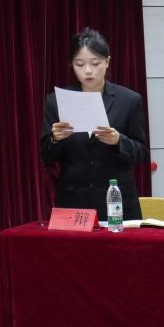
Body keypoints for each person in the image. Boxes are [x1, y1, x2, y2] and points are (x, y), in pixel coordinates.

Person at [40, 27, 148, 221]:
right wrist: (55, 139)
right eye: (79, 64)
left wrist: (118, 140)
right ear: (72, 65)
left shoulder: (129, 100)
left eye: (95, 63)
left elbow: (142, 152)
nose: (88, 71)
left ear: (107, 62)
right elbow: (46, 156)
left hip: (117, 200)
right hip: (73, 201)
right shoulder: (56, 101)